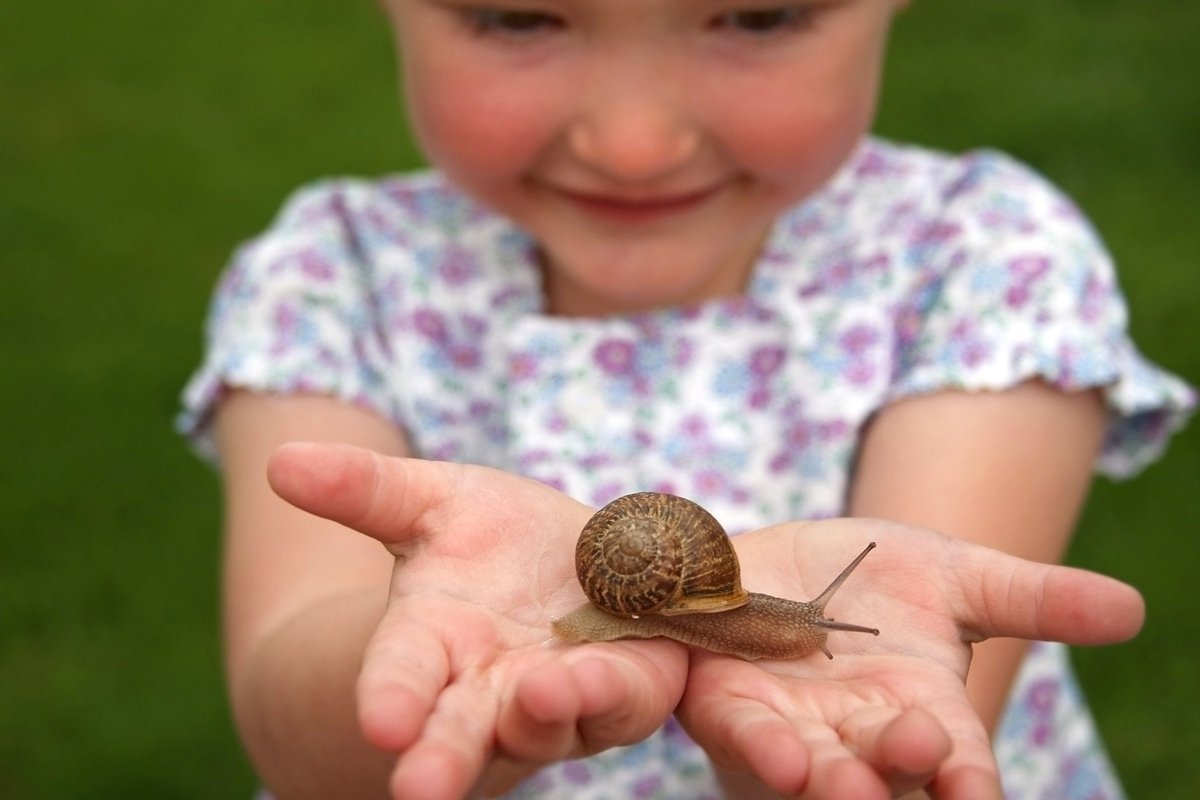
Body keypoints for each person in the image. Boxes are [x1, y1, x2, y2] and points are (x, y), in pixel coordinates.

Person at [178, 1, 1193, 798]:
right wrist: (445, 663)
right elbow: (290, 724)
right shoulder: (336, 277)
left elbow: (915, 680)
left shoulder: (984, 259)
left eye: (759, 17)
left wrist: (809, 761)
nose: (634, 141)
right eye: (515, 18)